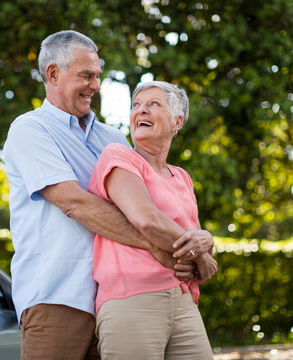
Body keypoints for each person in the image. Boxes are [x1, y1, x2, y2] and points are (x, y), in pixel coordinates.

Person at [3, 30, 213, 360]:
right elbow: (75, 203)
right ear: (53, 74)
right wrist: (159, 248)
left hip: (114, 300)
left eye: (98, 75)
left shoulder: (113, 139)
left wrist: (200, 242)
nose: (96, 86)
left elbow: (150, 200)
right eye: (86, 75)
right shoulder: (30, 129)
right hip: (59, 297)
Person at [89, 81, 217, 359]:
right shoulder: (119, 155)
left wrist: (207, 240)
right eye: (136, 105)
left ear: (177, 121)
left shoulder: (182, 176)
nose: (141, 111)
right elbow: (146, 218)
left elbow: (190, 236)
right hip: (132, 297)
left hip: (183, 298)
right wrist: (201, 256)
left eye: (153, 104)